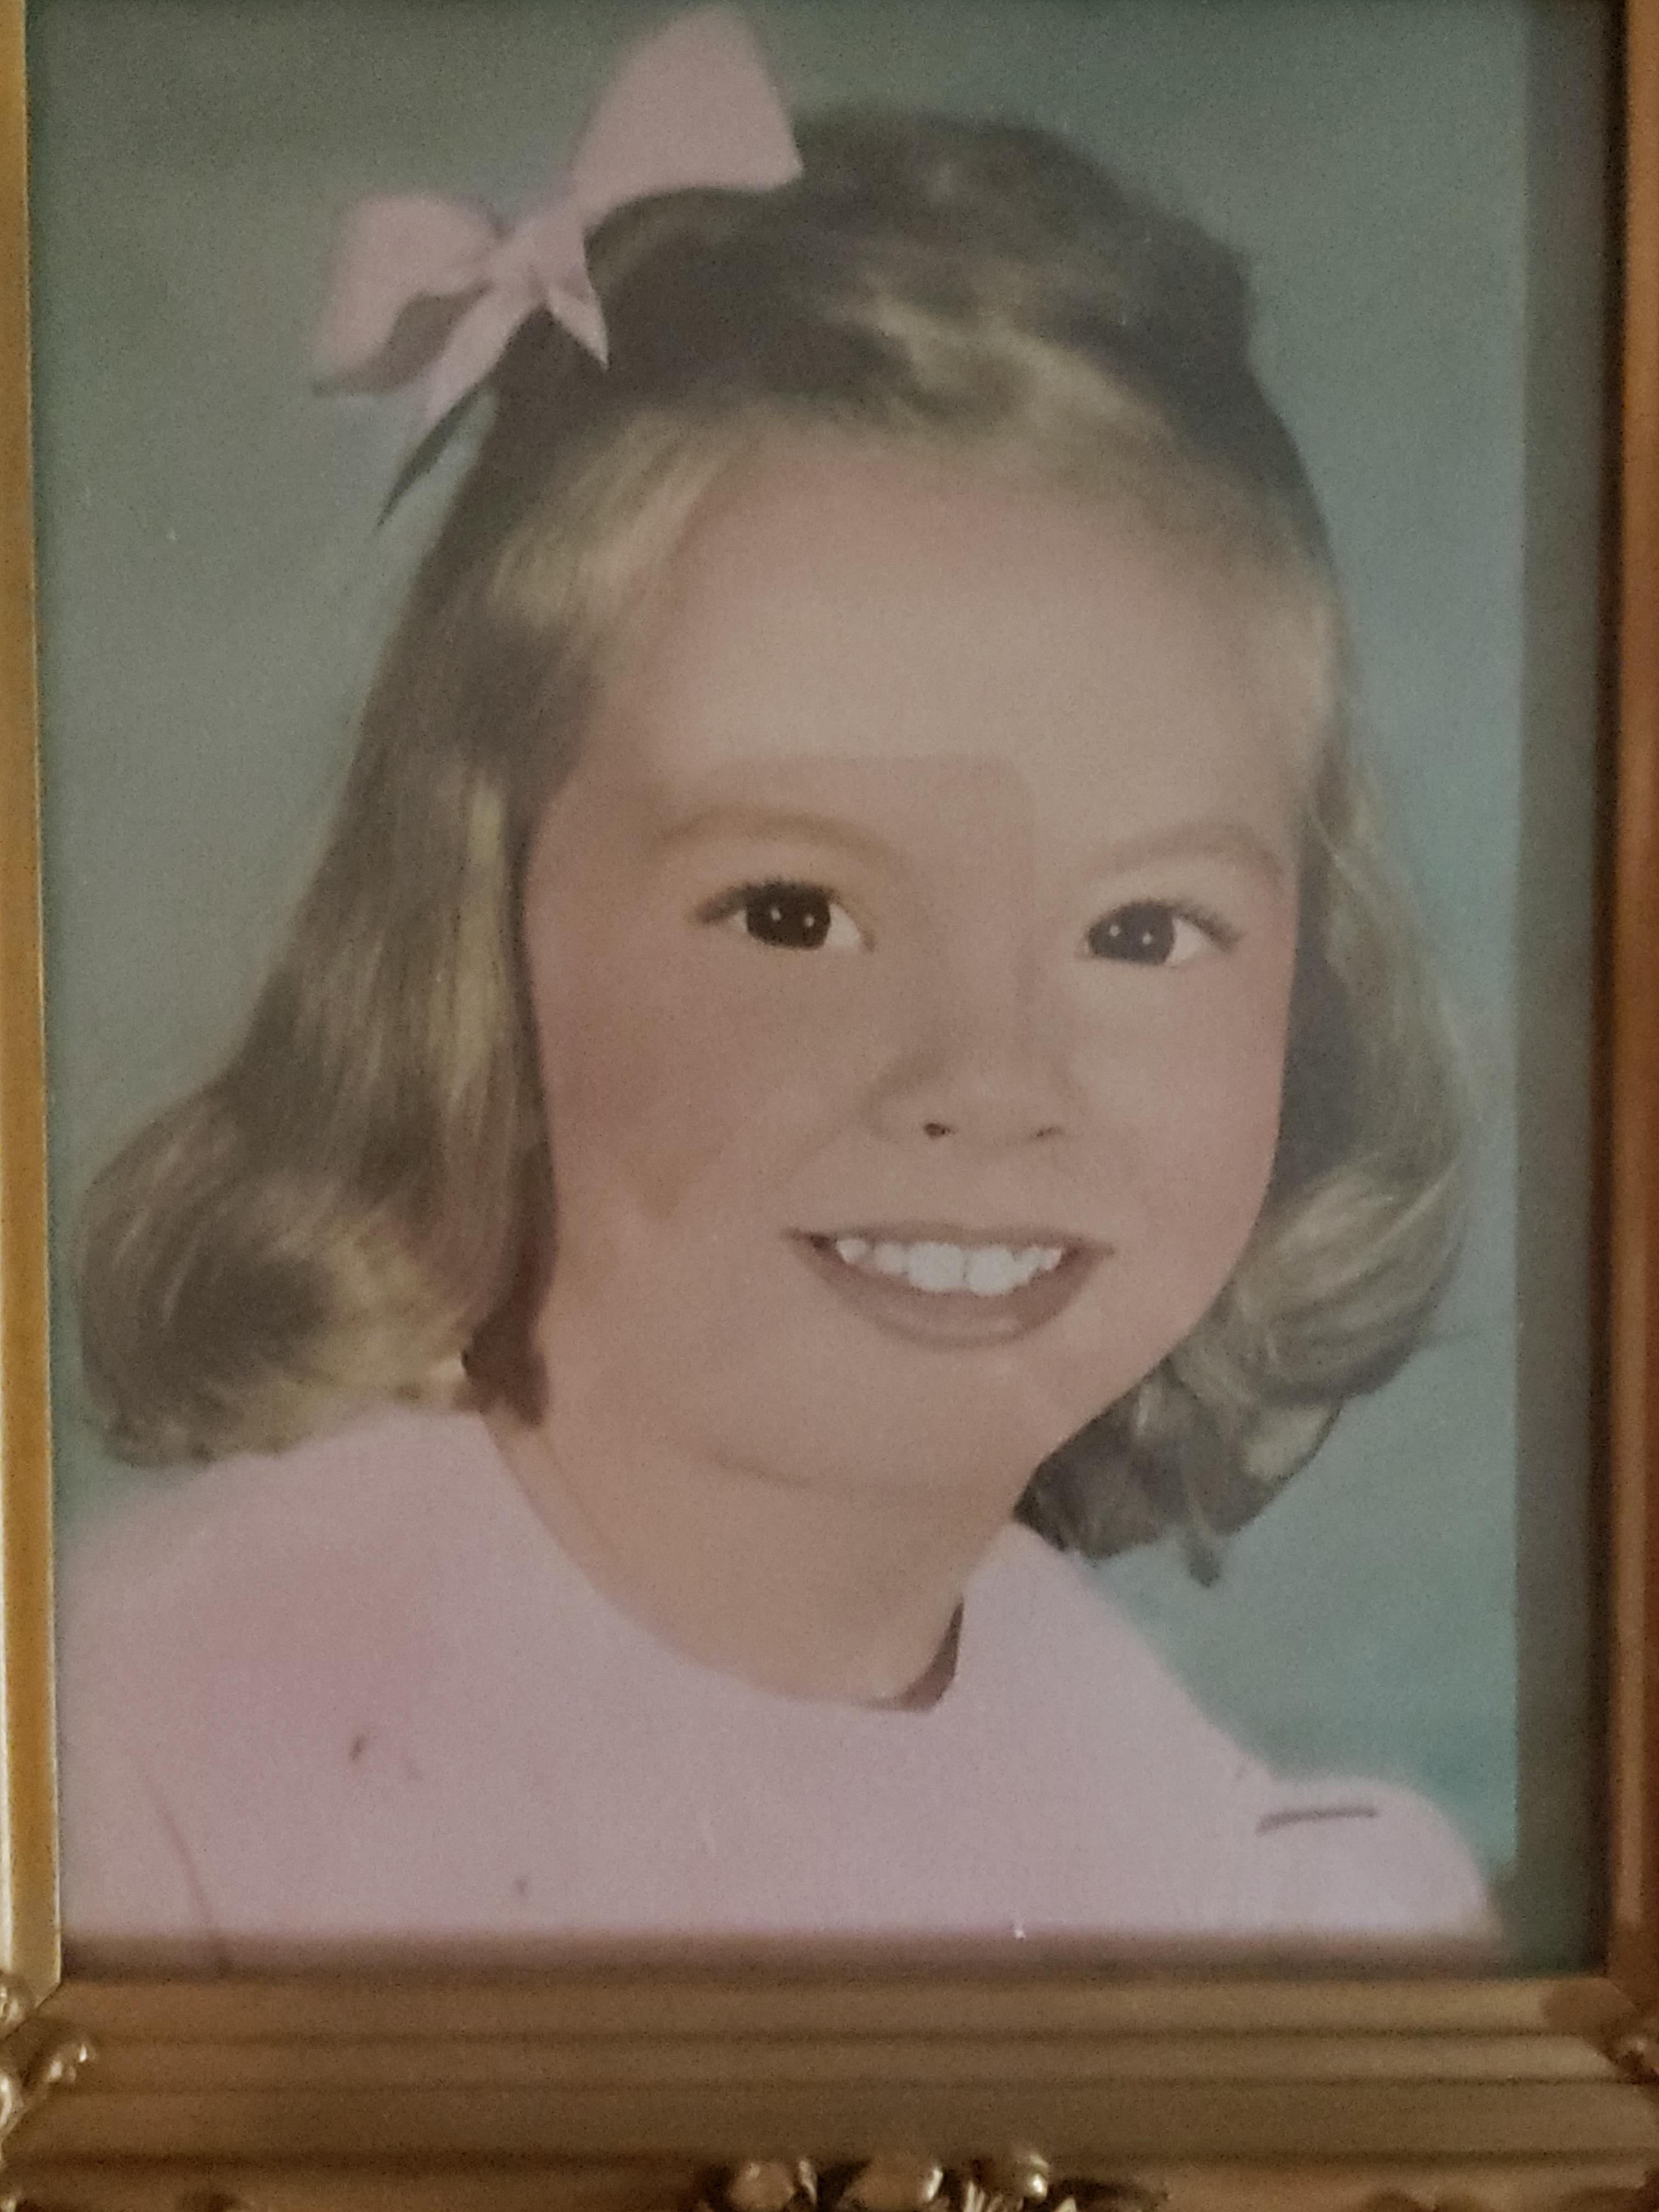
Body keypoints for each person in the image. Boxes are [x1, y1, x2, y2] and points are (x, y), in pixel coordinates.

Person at [59, 9, 1494, 1962]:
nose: (991, 1078)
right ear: (477, 934)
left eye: (1141, 932)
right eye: (798, 915)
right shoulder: (154, 1743)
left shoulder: (1211, 1861)